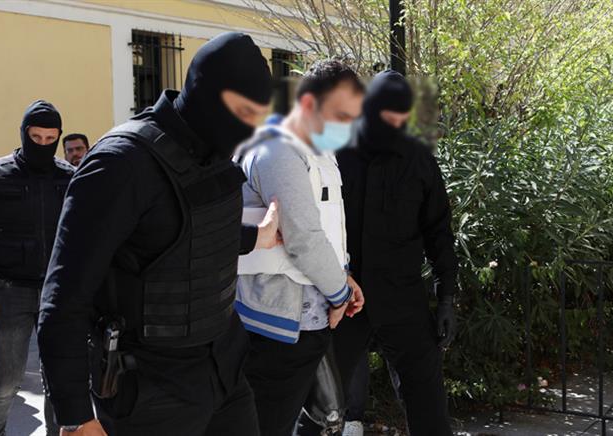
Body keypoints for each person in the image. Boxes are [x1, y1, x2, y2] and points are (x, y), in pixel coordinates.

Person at [36, 32, 278, 436]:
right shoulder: (120, 164)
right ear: (207, 96)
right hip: (150, 390)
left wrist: (258, 236)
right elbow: (63, 297)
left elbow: (185, 234)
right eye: (243, 111)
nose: (250, 126)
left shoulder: (213, 150)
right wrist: (75, 415)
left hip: (225, 370)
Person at [305, 70, 458, 436]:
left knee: (429, 405)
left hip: (403, 299)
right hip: (345, 300)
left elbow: (438, 231)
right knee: (319, 406)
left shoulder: (418, 160)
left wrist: (447, 296)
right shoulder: (335, 155)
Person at [233, 59, 366, 436]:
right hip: (275, 326)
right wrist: (339, 293)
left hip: (310, 320)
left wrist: (343, 276)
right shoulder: (278, 149)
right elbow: (303, 237)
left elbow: (327, 227)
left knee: (326, 420)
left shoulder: (318, 151)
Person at [0, 99, 74, 436]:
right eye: (35, 138)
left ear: (59, 136)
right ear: (23, 134)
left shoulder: (70, 178)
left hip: (58, 292)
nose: (42, 144)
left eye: (50, 139)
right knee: (6, 383)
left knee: (59, 382)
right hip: (10, 292)